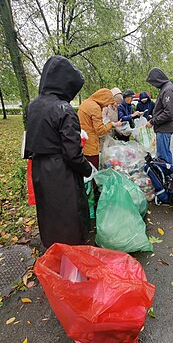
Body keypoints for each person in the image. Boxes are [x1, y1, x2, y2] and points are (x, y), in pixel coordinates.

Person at [25, 55, 92, 249]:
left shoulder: (34, 106)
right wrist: (87, 169)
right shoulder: (64, 109)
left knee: (48, 213)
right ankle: (71, 259)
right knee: (68, 216)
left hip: (40, 169)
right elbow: (72, 153)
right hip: (61, 171)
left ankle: (53, 251)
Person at [78, 88, 122, 169]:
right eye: (107, 103)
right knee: (92, 170)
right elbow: (100, 130)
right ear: (104, 99)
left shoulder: (86, 102)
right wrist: (111, 124)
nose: (106, 106)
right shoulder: (95, 108)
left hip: (83, 141)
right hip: (91, 144)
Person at [146, 67, 173, 165]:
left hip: (164, 129)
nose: (153, 85)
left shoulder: (168, 90)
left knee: (163, 156)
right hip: (162, 128)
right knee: (164, 154)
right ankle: (167, 176)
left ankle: (167, 177)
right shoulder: (165, 88)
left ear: (157, 79)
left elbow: (168, 112)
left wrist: (153, 121)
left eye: (153, 82)